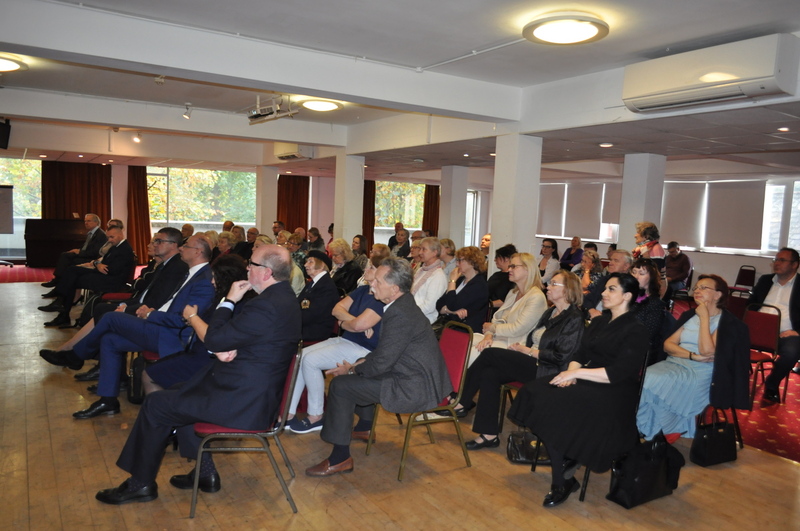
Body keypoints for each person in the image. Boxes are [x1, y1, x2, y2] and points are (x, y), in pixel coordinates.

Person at [92, 244, 301, 505]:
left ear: (267, 273)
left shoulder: (265, 305)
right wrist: (227, 344)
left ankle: (140, 483)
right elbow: (239, 338)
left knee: (157, 404)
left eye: (252, 264)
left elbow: (214, 339)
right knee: (182, 391)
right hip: (248, 388)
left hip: (243, 401)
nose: (247, 268)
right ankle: (204, 473)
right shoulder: (282, 299)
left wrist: (229, 301)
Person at [507, 273, 649, 508]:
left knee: (556, 408)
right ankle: (566, 459)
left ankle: (561, 480)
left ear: (627, 296)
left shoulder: (636, 329)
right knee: (535, 392)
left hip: (615, 392)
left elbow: (617, 373)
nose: (603, 293)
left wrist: (575, 374)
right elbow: (580, 354)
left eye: (611, 289)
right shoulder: (601, 321)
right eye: (605, 288)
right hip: (588, 378)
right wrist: (570, 374)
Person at [39, 234, 216, 418]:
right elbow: (171, 305)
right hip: (160, 326)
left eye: (185, 246)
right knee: (110, 340)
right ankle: (107, 400)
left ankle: (76, 355)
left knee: (110, 317)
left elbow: (183, 320)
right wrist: (152, 310)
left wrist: (150, 314)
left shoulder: (203, 280)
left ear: (198, 251)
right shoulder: (192, 273)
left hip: (170, 336)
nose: (181, 248)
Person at [305, 257, 452, 477]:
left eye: (378, 282)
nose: (371, 283)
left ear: (393, 288)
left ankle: (340, 458)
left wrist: (353, 369)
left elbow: (383, 361)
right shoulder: (401, 304)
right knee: (354, 378)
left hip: (413, 385)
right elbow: (385, 355)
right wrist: (358, 365)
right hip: (407, 373)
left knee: (341, 386)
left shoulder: (399, 313)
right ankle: (363, 427)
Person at [452, 271, 584, 449]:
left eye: (554, 284)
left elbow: (561, 357)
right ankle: (489, 434)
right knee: (490, 374)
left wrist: (527, 351)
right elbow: (533, 337)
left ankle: (461, 401)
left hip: (549, 370)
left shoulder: (574, 318)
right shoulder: (551, 311)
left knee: (490, 354)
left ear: (568, 290)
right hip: (533, 361)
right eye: (550, 283)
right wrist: (522, 348)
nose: (548, 287)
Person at [637, 274, 750, 439]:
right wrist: (691, 355)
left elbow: (707, 352)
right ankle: (652, 429)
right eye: (696, 287)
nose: (697, 290)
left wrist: (704, 318)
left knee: (649, 381)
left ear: (718, 295)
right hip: (677, 363)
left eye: (704, 288)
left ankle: (652, 430)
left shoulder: (728, 322)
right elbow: (668, 345)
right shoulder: (689, 316)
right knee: (644, 380)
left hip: (702, 373)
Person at [286, 255, 385, 434]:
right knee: (301, 356)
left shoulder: (380, 298)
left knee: (310, 360)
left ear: (382, 272)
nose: (365, 270)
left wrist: (348, 323)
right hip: (347, 339)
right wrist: (352, 322)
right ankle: (289, 413)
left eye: (370, 267)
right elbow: (337, 309)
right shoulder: (362, 290)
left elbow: (357, 325)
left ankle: (316, 415)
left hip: (364, 349)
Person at [143, 254, 250, 394]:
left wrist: (192, 317)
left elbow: (212, 337)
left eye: (214, 277)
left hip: (209, 360)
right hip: (201, 353)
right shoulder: (227, 299)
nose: (212, 281)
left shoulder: (231, 304)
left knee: (149, 375)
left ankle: (161, 411)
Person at [39, 226, 135, 328]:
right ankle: (62, 308)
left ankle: (62, 308)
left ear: (120, 235)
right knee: (72, 270)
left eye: (112, 237)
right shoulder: (117, 246)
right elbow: (103, 262)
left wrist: (98, 265)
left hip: (111, 281)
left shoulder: (125, 249)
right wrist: (98, 264)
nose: (109, 240)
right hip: (105, 275)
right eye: (108, 237)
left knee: (73, 279)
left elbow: (112, 270)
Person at [469, 253, 547, 366]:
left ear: (527, 269)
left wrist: (492, 328)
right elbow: (498, 319)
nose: (509, 269)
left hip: (515, 344)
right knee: (463, 342)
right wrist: (489, 335)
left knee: (473, 352)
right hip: (500, 337)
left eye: (514, 266)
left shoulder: (536, 296)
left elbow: (517, 329)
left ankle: (462, 382)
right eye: (510, 266)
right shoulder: (513, 293)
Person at [748, 247, 800, 403]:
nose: (777, 263)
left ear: (795, 264)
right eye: (776, 259)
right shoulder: (765, 280)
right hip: (756, 330)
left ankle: (772, 383)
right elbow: (750, 305)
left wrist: (797, 332)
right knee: (723, 339)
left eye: (782, 260)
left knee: (792, 352)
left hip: (785, 333)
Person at [42, 213, 107, 288]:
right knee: (66, 255)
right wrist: (78, 250)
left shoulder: (100, 234)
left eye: (89, 221)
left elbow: (95, 252)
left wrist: (80, 252)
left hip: (91, 259)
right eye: (85, 221)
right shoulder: (91, 233)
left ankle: (58, 281)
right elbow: (86, 247)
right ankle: (58, 283)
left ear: (96, 222)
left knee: (67, 261)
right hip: (85, 255)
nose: (86, 223)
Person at [435, 246, 489, 333]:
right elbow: (439, 304)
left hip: (465, 330)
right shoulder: (460, 280)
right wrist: (452, 312)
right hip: (451, 325)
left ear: (472, 262)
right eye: (457, 260)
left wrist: (452, 281)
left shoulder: (479, 285)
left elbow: (452, 305)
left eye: (460, 260)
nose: (457, 264)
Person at [630, 258, 669, 365]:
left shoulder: (655, 304)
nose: (635, 276)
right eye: (633, 272)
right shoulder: (627, 297)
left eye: (641, 273)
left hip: (639, 351)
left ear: (651, 278)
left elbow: (647, 335)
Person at [298, 250, 340, 344]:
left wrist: (290, 320)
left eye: (310, 262)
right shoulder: (313, 283)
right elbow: (299, 303)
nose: (305, 265)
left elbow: (314, 314)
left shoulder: (326, 286)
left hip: (315, 331)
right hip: (306, 326)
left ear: (321, 266)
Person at [583, 249, 632, 319]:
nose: (610, 263)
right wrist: (591, 310)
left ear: (626, 266)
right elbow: (588, 299)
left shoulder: (630, 285)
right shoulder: (605, 279)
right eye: (611, 260)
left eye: (616, 261)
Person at [411, 237, 448, 323]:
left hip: (424, 321)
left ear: (434, 252)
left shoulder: (438, 275)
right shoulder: (421, 270)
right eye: (420, 249)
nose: (420, 252)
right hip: (412, 315)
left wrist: (407, 312)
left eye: (424, 249)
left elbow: (430, 307)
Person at [488, 244, 517, 309]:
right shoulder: (496, 275)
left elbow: (506, 300)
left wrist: (488, 304)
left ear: (506, 259)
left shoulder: (512, 278)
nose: (495, 260)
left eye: (497, 257)